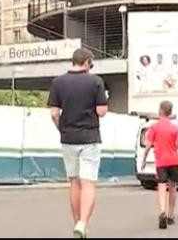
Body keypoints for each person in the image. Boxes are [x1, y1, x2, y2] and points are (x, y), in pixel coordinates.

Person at [48, 48, 109, 238]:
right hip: (90, 137)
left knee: (74, 182)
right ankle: (83, 223)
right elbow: (101, 111)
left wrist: (62, 129)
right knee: (88, 182)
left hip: (68, 138)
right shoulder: (95, 81)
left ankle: (77, 223)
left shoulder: (58, 82)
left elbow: (54, 113)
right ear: (87, 62)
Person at [141, 101, 178, 229]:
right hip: (174, 161)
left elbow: (148, 145)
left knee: (161, 186)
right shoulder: (175, 128)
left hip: (161, 161)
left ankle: (162, 211)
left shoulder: (154, 128)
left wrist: (144, 159)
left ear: (160, 111)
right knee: (173, 186)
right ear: (170, 113)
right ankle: (171, 215)